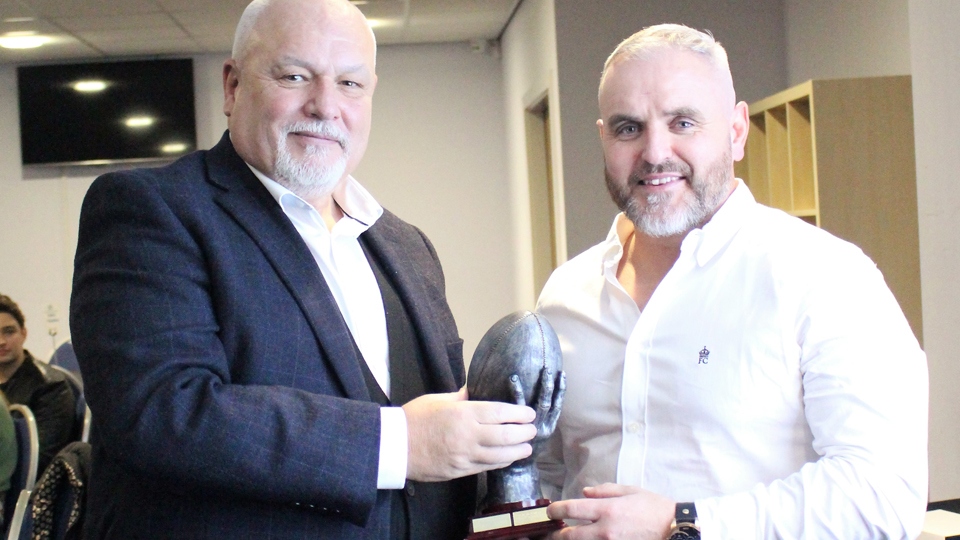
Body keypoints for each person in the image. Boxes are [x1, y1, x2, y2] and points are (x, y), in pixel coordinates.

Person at [69, 0, 541, 538]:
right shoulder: (151, 210)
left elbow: (443, 453)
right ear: (232, 86)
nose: (325, 106)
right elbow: (162, 413)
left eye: (350, 84)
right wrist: (400, 443)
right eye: (295, 76)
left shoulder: (408, 247)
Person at [536, 24, 928, 540]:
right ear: (604, 137)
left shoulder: (825, 277)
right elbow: (549, 478)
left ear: (737, 131)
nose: (655, 152)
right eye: (629, 128)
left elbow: (882, 495)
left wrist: (680, 525)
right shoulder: (564, 298)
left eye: (683, 122)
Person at [0, 294, 76, 475]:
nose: (1, 341)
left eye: (9, 332)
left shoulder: (51, 387)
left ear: (23, 333)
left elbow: (38, 462)